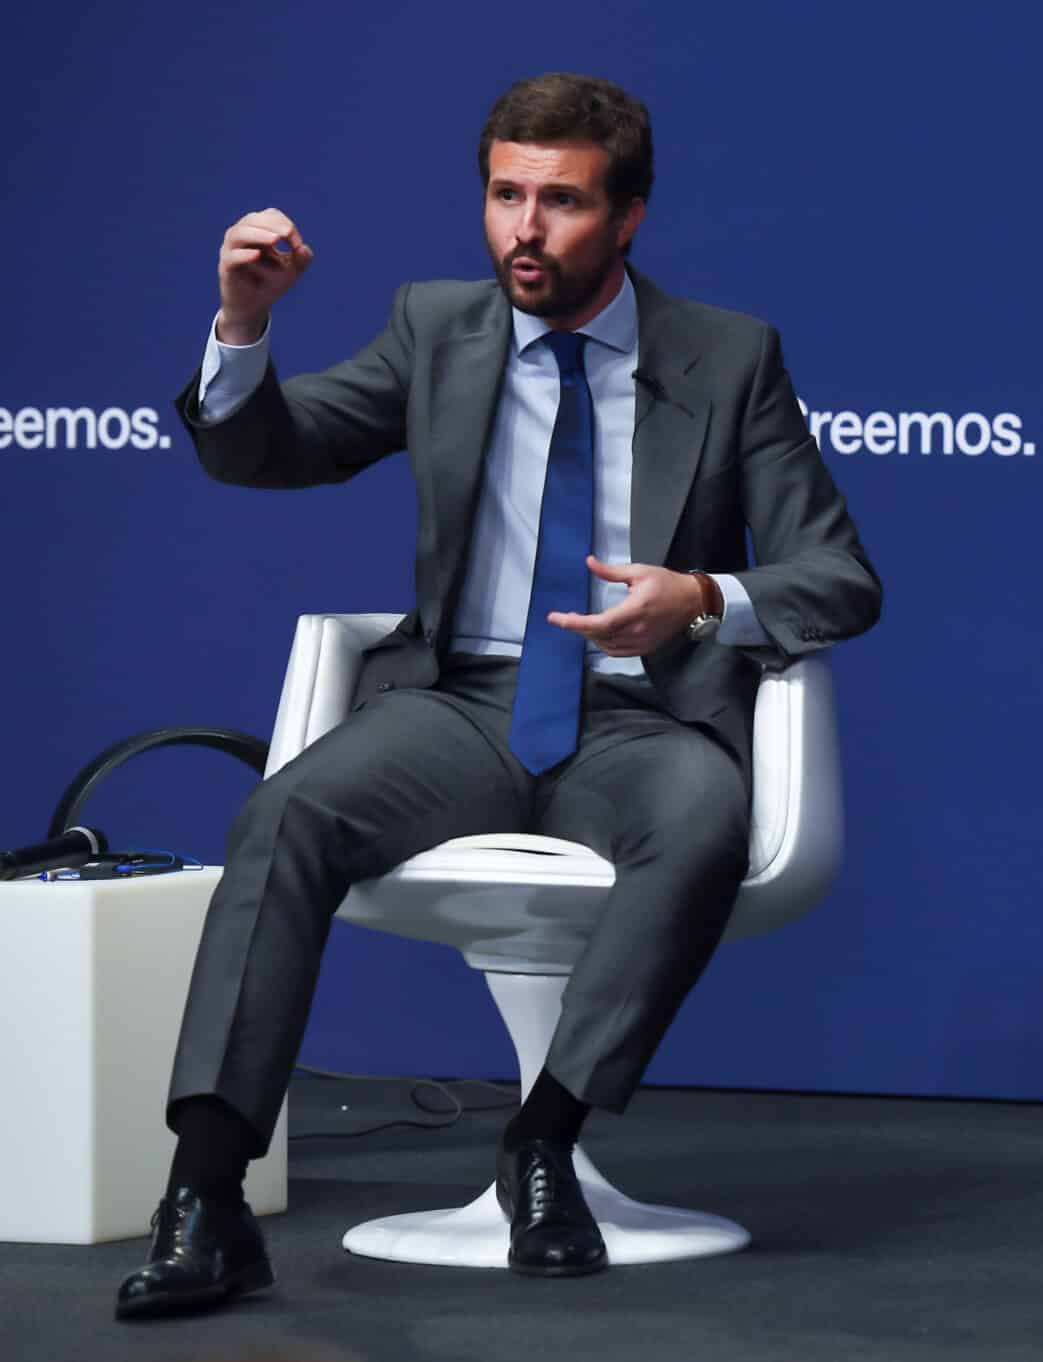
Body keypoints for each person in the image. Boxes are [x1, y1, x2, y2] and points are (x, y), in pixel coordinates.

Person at [117, 72, 881, 1320]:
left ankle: (542, 1141)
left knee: (698, 820)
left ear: (627, 216)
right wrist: (241, 327)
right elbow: (275, 450)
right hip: (460, 706)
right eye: (505, 195)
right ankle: (204, 1197)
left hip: (637, 718)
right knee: (283, 815)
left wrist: (696, 595)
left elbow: (840, 577)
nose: (525, 229)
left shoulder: (730, 358)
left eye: (562, 202)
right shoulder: (436, 327)